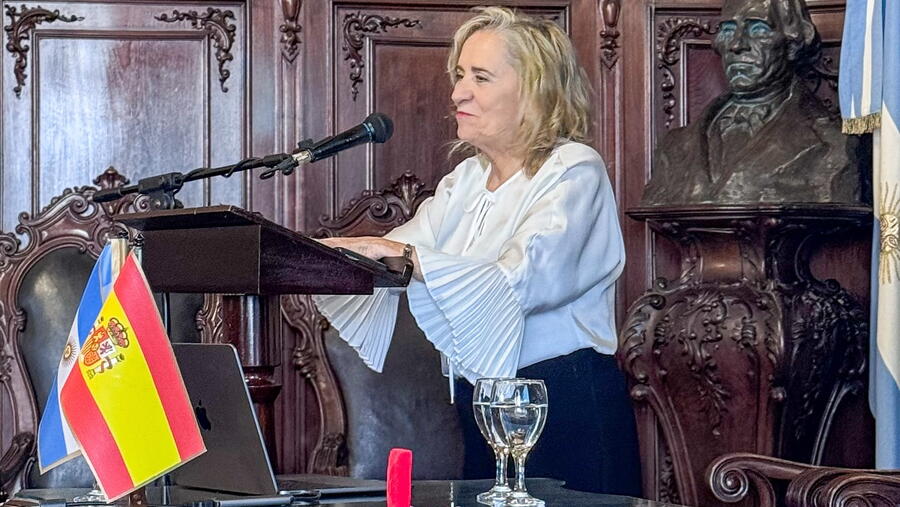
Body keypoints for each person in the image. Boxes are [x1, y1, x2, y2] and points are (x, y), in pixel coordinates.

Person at [313, 6, 640, 495]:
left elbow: (524, 277)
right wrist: (314, 256)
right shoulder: (464, 181)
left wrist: (403, 256)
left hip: (562, 403)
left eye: (480, 77)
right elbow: (398, 248)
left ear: (535, 90)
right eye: (460, 75)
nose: (458, 92)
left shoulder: (574, 170)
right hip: (482, 405)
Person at [641, 0, 867, 205]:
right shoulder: (674, 148)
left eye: (758, 29)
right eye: (728, 30)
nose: (737, 45)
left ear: (792, 43)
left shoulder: (834, 143)